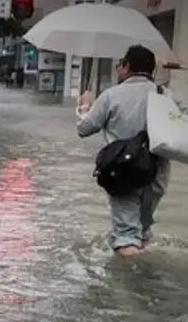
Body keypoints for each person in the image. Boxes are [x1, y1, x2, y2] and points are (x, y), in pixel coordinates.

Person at [77, 44, 179, 258]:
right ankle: (146, 273)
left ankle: (129, 285)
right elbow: (183, 126)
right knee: (143, 230)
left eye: (120, 64)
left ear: (128, 66)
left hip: (122, 170)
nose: (117, 68)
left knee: (126, 235)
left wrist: (85, 107)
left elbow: (84, 129)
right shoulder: (166, 95)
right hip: (156, 173)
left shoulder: (111, 96)